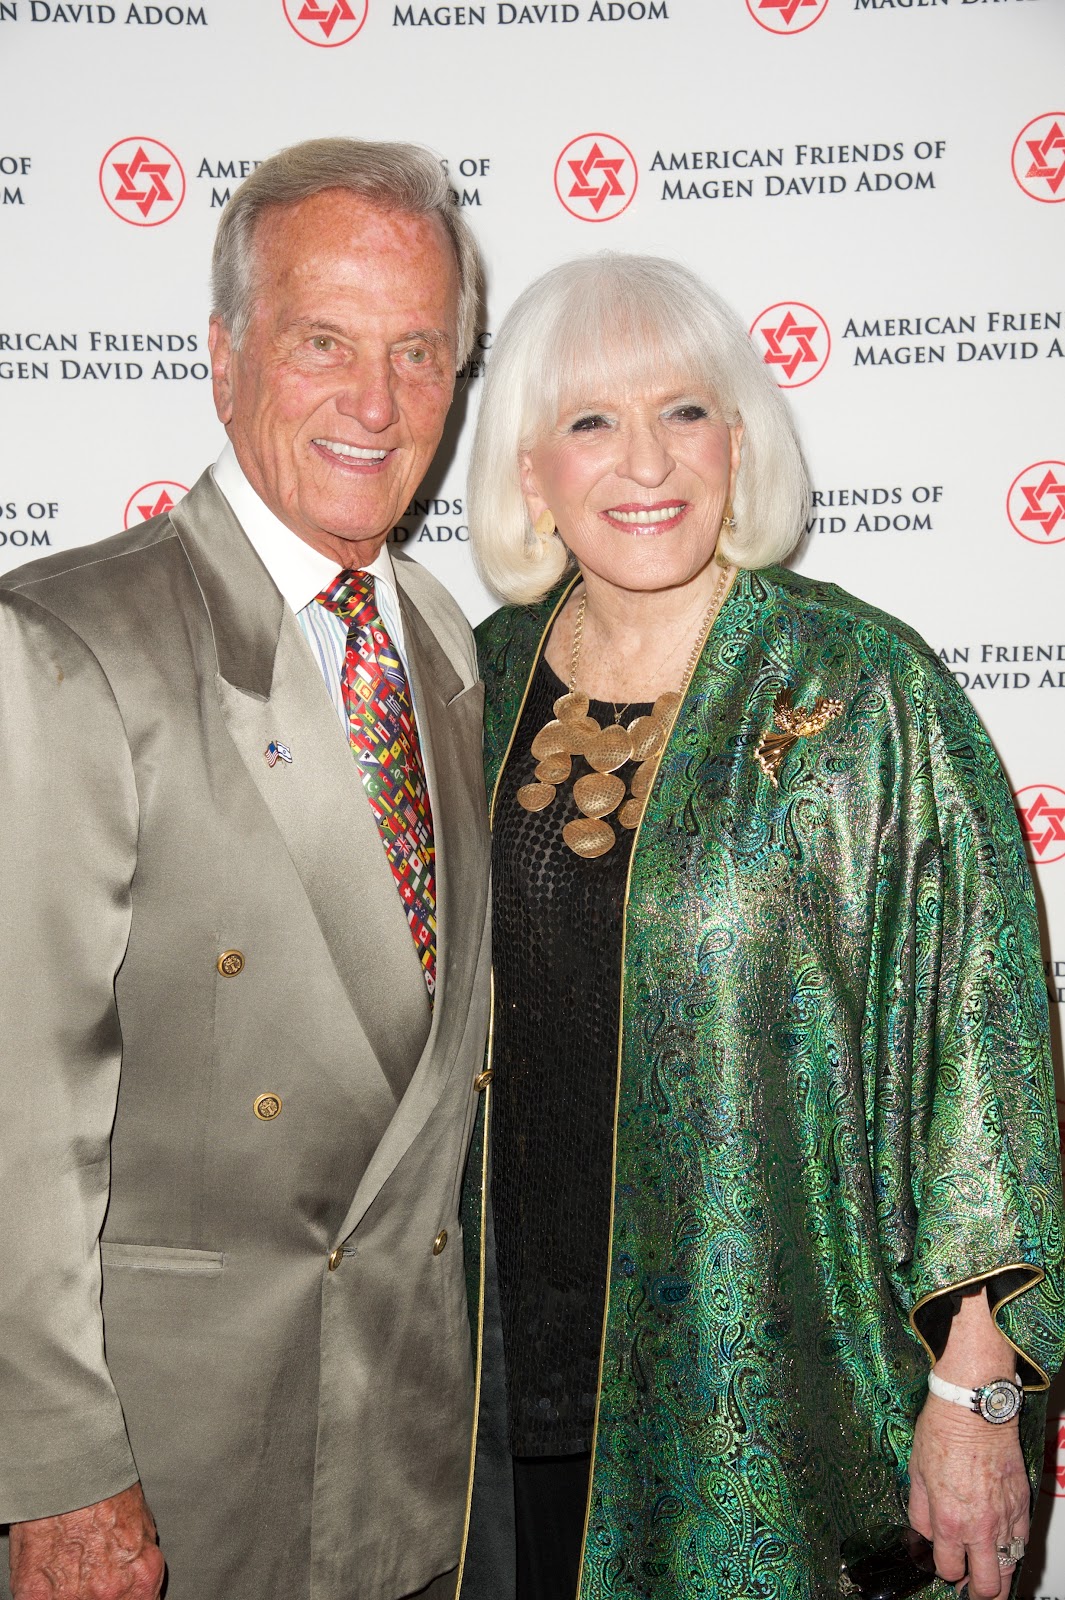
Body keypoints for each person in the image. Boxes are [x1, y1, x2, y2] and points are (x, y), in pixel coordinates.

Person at [462, 254, 1064, 1600]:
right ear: (526, 475)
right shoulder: (474, 680)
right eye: (588, 422)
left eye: (683, 410)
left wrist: (977, 1390)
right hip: (488, 1416)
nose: (644, 462)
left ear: (739, 437)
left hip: (773, 1409)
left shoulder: (860, 692)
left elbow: (978, 1050)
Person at [0, 138, 492, 1600]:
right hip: (166, 1480)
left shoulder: (442, 642)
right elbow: (17, 1118)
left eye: (421, 353)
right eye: (322, 342)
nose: (377, 402)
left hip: (401, 1465)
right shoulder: (67, 645)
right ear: (222, 358)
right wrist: (61, 1475)